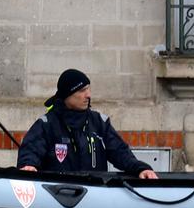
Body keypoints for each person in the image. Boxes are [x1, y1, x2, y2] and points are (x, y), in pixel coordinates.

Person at [17, 69, 159, 179]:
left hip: (94, 197)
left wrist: (141, 168)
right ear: (67, 95)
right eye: (82, 90)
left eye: (88, 89)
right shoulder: (47, 124)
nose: (88, 95)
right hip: (58, 198)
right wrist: (28, 165)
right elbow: (31, 150)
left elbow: (120, 152)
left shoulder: (99, 123)